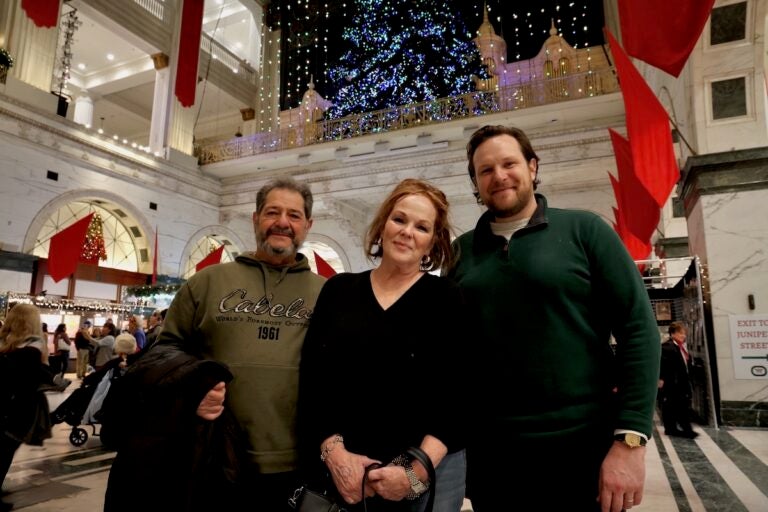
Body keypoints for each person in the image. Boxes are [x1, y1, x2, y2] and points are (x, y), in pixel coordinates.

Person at [448, 125, 661, 512]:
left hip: (583, 450)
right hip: (494, 458)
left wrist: (630, 440)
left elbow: (638, 330)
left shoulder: (585, 230)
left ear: (532, 167)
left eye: (509, 163)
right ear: (475, 183)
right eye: (485, 170)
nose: (499, 176)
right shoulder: (460, 254)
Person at [105, 177, 327, 511]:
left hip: (295, 462)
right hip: (213, 456)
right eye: (272, 212)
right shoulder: (207, 282)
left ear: (307, 225)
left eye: (294, 216)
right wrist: (195, 388)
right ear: (255, 219)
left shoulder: (327, 293)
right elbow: (163, 354)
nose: (283, 222)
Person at [298, 178, 467, 512]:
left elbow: (458, 398)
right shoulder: (338, 291)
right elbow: (313, 383)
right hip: (342, 480)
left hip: (420, 477)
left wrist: (413, 476)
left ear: (433, 241)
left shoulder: (447, 299)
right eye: (399, 219)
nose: (407, 231)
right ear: (383, 225)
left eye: (422, 227)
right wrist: (337, 458)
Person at [0, 304, 55, 512]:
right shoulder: (32, 349)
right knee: (5, 451)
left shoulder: (5, 344)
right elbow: (33, 381)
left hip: (5, 404)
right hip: (18, 410)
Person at [659, 322, 698, 439]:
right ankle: (676, 429)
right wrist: (661, 379)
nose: (683, 335)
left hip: (682, 382)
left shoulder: (681, 347)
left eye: (684, 333)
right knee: (673, 405)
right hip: (672, 383)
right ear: (673, 333)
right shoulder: (667, 347)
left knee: (680, 405)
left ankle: (681, 428)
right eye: (681, 333)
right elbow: (662, 365)